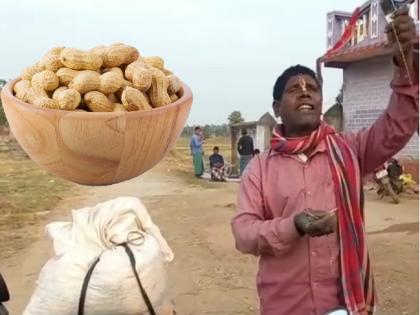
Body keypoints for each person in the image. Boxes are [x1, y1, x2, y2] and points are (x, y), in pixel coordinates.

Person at [231, 8, 418, 315]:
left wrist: (404, 62)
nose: (306, 93)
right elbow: (244, 233)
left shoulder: (350, 149)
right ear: (277, 108)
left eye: (313, 88)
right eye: (294, 89)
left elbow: (399, 126)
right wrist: (292, 225)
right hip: (284, 307)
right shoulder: (260, 169)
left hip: (344, 305)